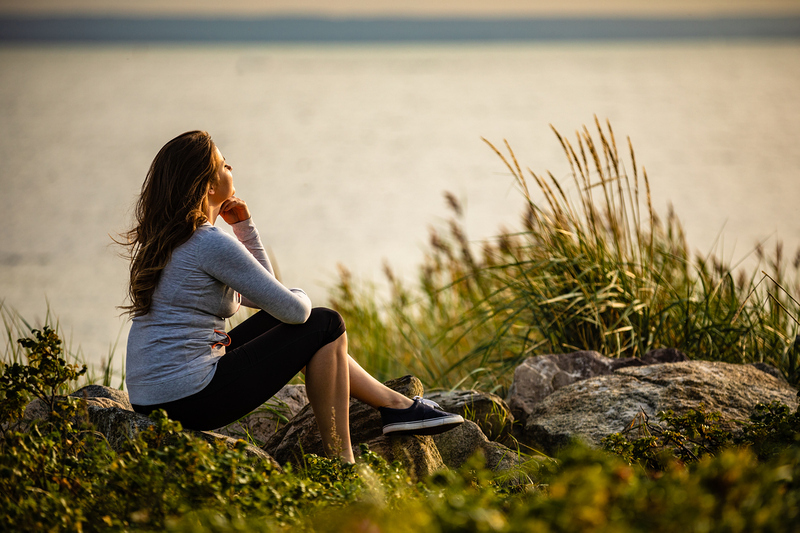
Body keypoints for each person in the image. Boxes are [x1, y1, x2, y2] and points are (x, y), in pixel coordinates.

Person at [122, 130, 463, 463]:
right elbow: (293, 309)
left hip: (152, 398)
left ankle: (394, 407)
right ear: (209, 186)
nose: (231, 169)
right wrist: (296, 294)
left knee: (289, 325)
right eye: (225, 165)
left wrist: (243, 228)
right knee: (325, 324)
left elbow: (266, 297)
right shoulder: (208, 243)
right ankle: (343, 464)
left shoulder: (169, 239)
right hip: (189, 398)